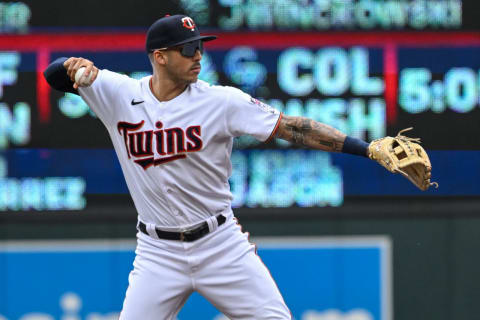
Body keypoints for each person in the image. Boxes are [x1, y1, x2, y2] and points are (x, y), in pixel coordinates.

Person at [43, 14, 373, 320]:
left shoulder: (221, 101)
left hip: (219, 244)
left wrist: (366, 149)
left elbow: (292, 127)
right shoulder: (118, 93)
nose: (198, 55)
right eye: (187, 49)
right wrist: (71, 66)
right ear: (160, 56)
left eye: (199, 46)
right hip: (158, 252)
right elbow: (52, 75)